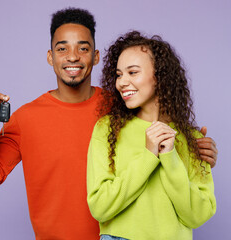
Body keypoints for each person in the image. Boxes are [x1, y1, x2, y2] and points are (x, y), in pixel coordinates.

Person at [0, 8, 218, 240]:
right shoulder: (26, 118)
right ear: (50, 56)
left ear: (96, 56)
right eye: (62, 49)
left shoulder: (121, 108)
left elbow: (161, 126)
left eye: (83, 48)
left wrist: (196, 147)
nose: (73, 57)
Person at [87, 31, 217, 240]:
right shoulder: (108, 128)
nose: (121, 82)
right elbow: (100, 206)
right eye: (119, 74)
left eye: (133, 72)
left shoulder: (191, 137)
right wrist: (149, 155)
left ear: (159, 76)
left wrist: (170, 157)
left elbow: (198, 215)